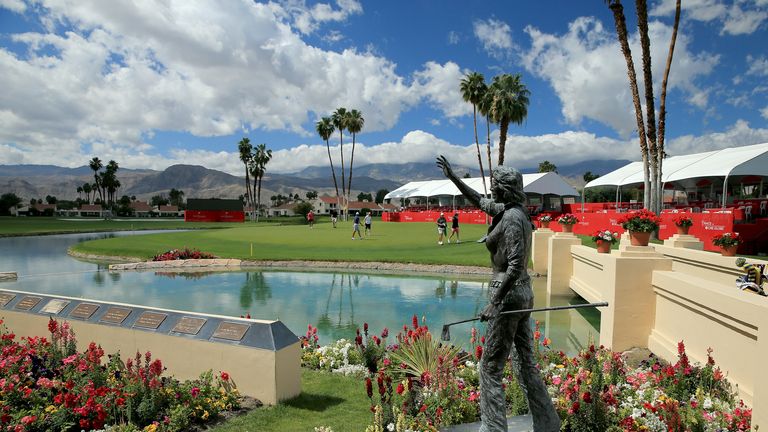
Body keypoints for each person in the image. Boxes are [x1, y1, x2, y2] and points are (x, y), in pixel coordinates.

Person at [437, 155, 560, 432]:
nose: (491, 188)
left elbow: (515, 265)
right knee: (524, 364)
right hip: (521, 293)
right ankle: (547, 422)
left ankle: (494, 428)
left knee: (490, 367)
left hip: (508, 294)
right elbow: (479, 201)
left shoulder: (513, 218)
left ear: (505, 188)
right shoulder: (511, 210)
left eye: (494, 184)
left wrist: (495, 302)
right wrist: (454, 178)